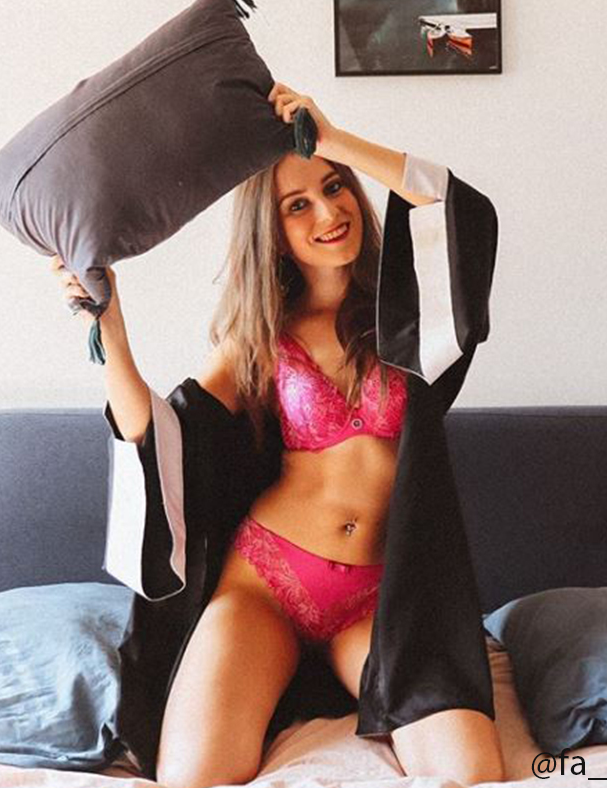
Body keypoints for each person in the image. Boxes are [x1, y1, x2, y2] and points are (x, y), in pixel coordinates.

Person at [50, 82, 505, 787]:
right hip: (267, 584)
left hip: (381, 598)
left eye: (334, 187)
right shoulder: (260, 340)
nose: (328, 212)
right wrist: (110, 330)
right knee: (195, 778)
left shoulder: (413, 319)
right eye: (298, 205)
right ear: (274, 233)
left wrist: (331, 138)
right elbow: (162, 439)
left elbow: (457, 210)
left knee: (470, 771)